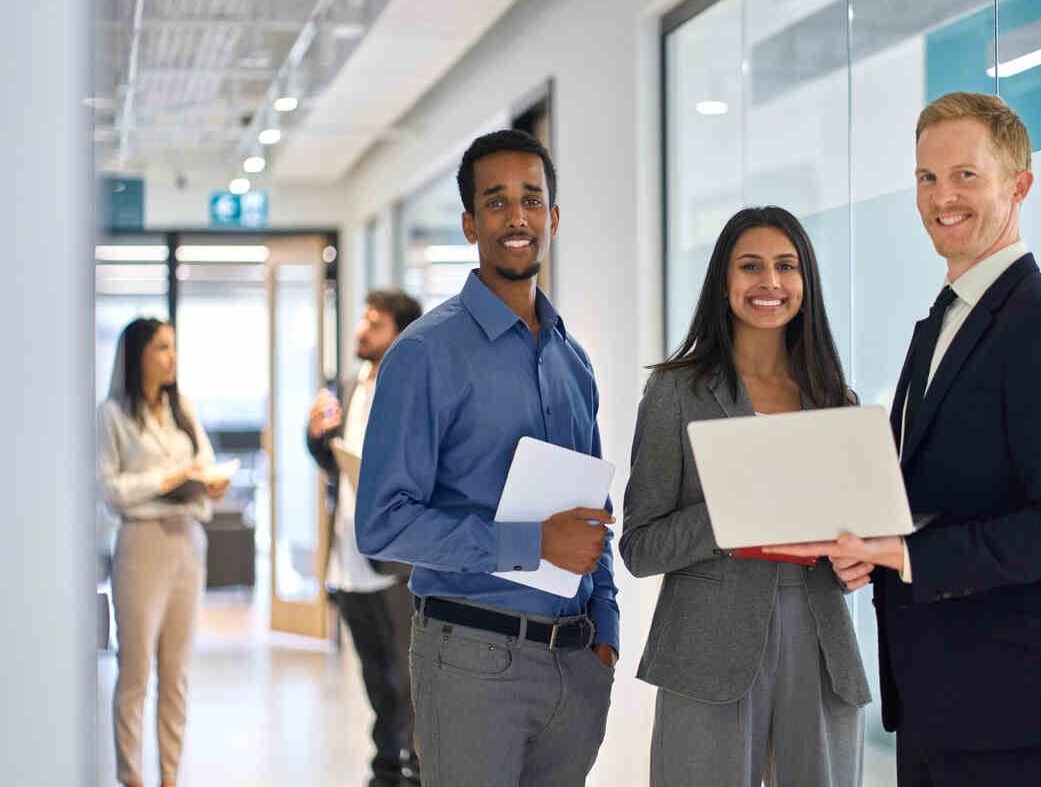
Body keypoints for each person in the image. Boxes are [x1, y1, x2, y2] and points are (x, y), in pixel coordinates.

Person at [766, 93, 1041, 786]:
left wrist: (908, 552)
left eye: (965, 175)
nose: (941, 197)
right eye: (927, 178)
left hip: (1015, 712)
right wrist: (871, 548)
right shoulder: (940, 323)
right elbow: (937, 490)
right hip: (934, 703)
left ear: (1019, 185)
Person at [354, 129, 619, 787]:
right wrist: (531, 543)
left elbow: (593, 507)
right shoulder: (423, 355)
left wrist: (606, 618)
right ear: (471, 223)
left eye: (532, 199)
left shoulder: (572, 360)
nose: (517, 217)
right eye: (496, 202)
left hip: (576, 661)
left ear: (552, 218)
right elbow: (382, 524)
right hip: (472, 661)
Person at [620, 206, 870, 787]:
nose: (771, 283)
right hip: (706, 650)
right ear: (724, 282)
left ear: (806, 283)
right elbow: (639, 547)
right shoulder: (675, 392)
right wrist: (735, 512)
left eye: (787, 267)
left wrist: (859, 557)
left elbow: (854, 539)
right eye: (751, 266)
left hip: (820, 640)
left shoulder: (836, 399)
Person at [99, 318, 229, 787]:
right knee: (134, 672)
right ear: (138, 356)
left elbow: (207, 465)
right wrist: (166, 481)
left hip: (187, 542)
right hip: (141, 545)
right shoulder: (112, 415)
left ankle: (169, 777)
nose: (172, 357)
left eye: (173, 347)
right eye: (161, 348)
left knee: (176, 674)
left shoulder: (185, 411)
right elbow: (110, 490)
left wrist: (207, 484)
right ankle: (131, 777)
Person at [307, 289, 424, 787]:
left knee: (408, 677)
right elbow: (330, 459)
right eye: (364, 319)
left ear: (398, 333)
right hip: (348, 558)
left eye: (373, 323)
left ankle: (418, 769)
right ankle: (385, 767)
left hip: (394, 561)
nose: (362, 329)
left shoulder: (413, 390)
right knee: (375, 674)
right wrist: (315, 437)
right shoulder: (349, 384)